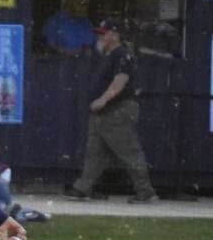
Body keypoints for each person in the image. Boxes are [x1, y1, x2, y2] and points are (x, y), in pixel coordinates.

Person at [63, 18, 157, 204]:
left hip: (117, 110)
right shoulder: (109, 55)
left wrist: (103, 99)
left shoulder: (123, 55)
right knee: (94, 153)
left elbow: (120, 81)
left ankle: (145, 192)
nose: (100, 37)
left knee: (128, 151)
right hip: (103, 112)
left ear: (114, 35)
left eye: (104, 33)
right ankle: (83, 188)